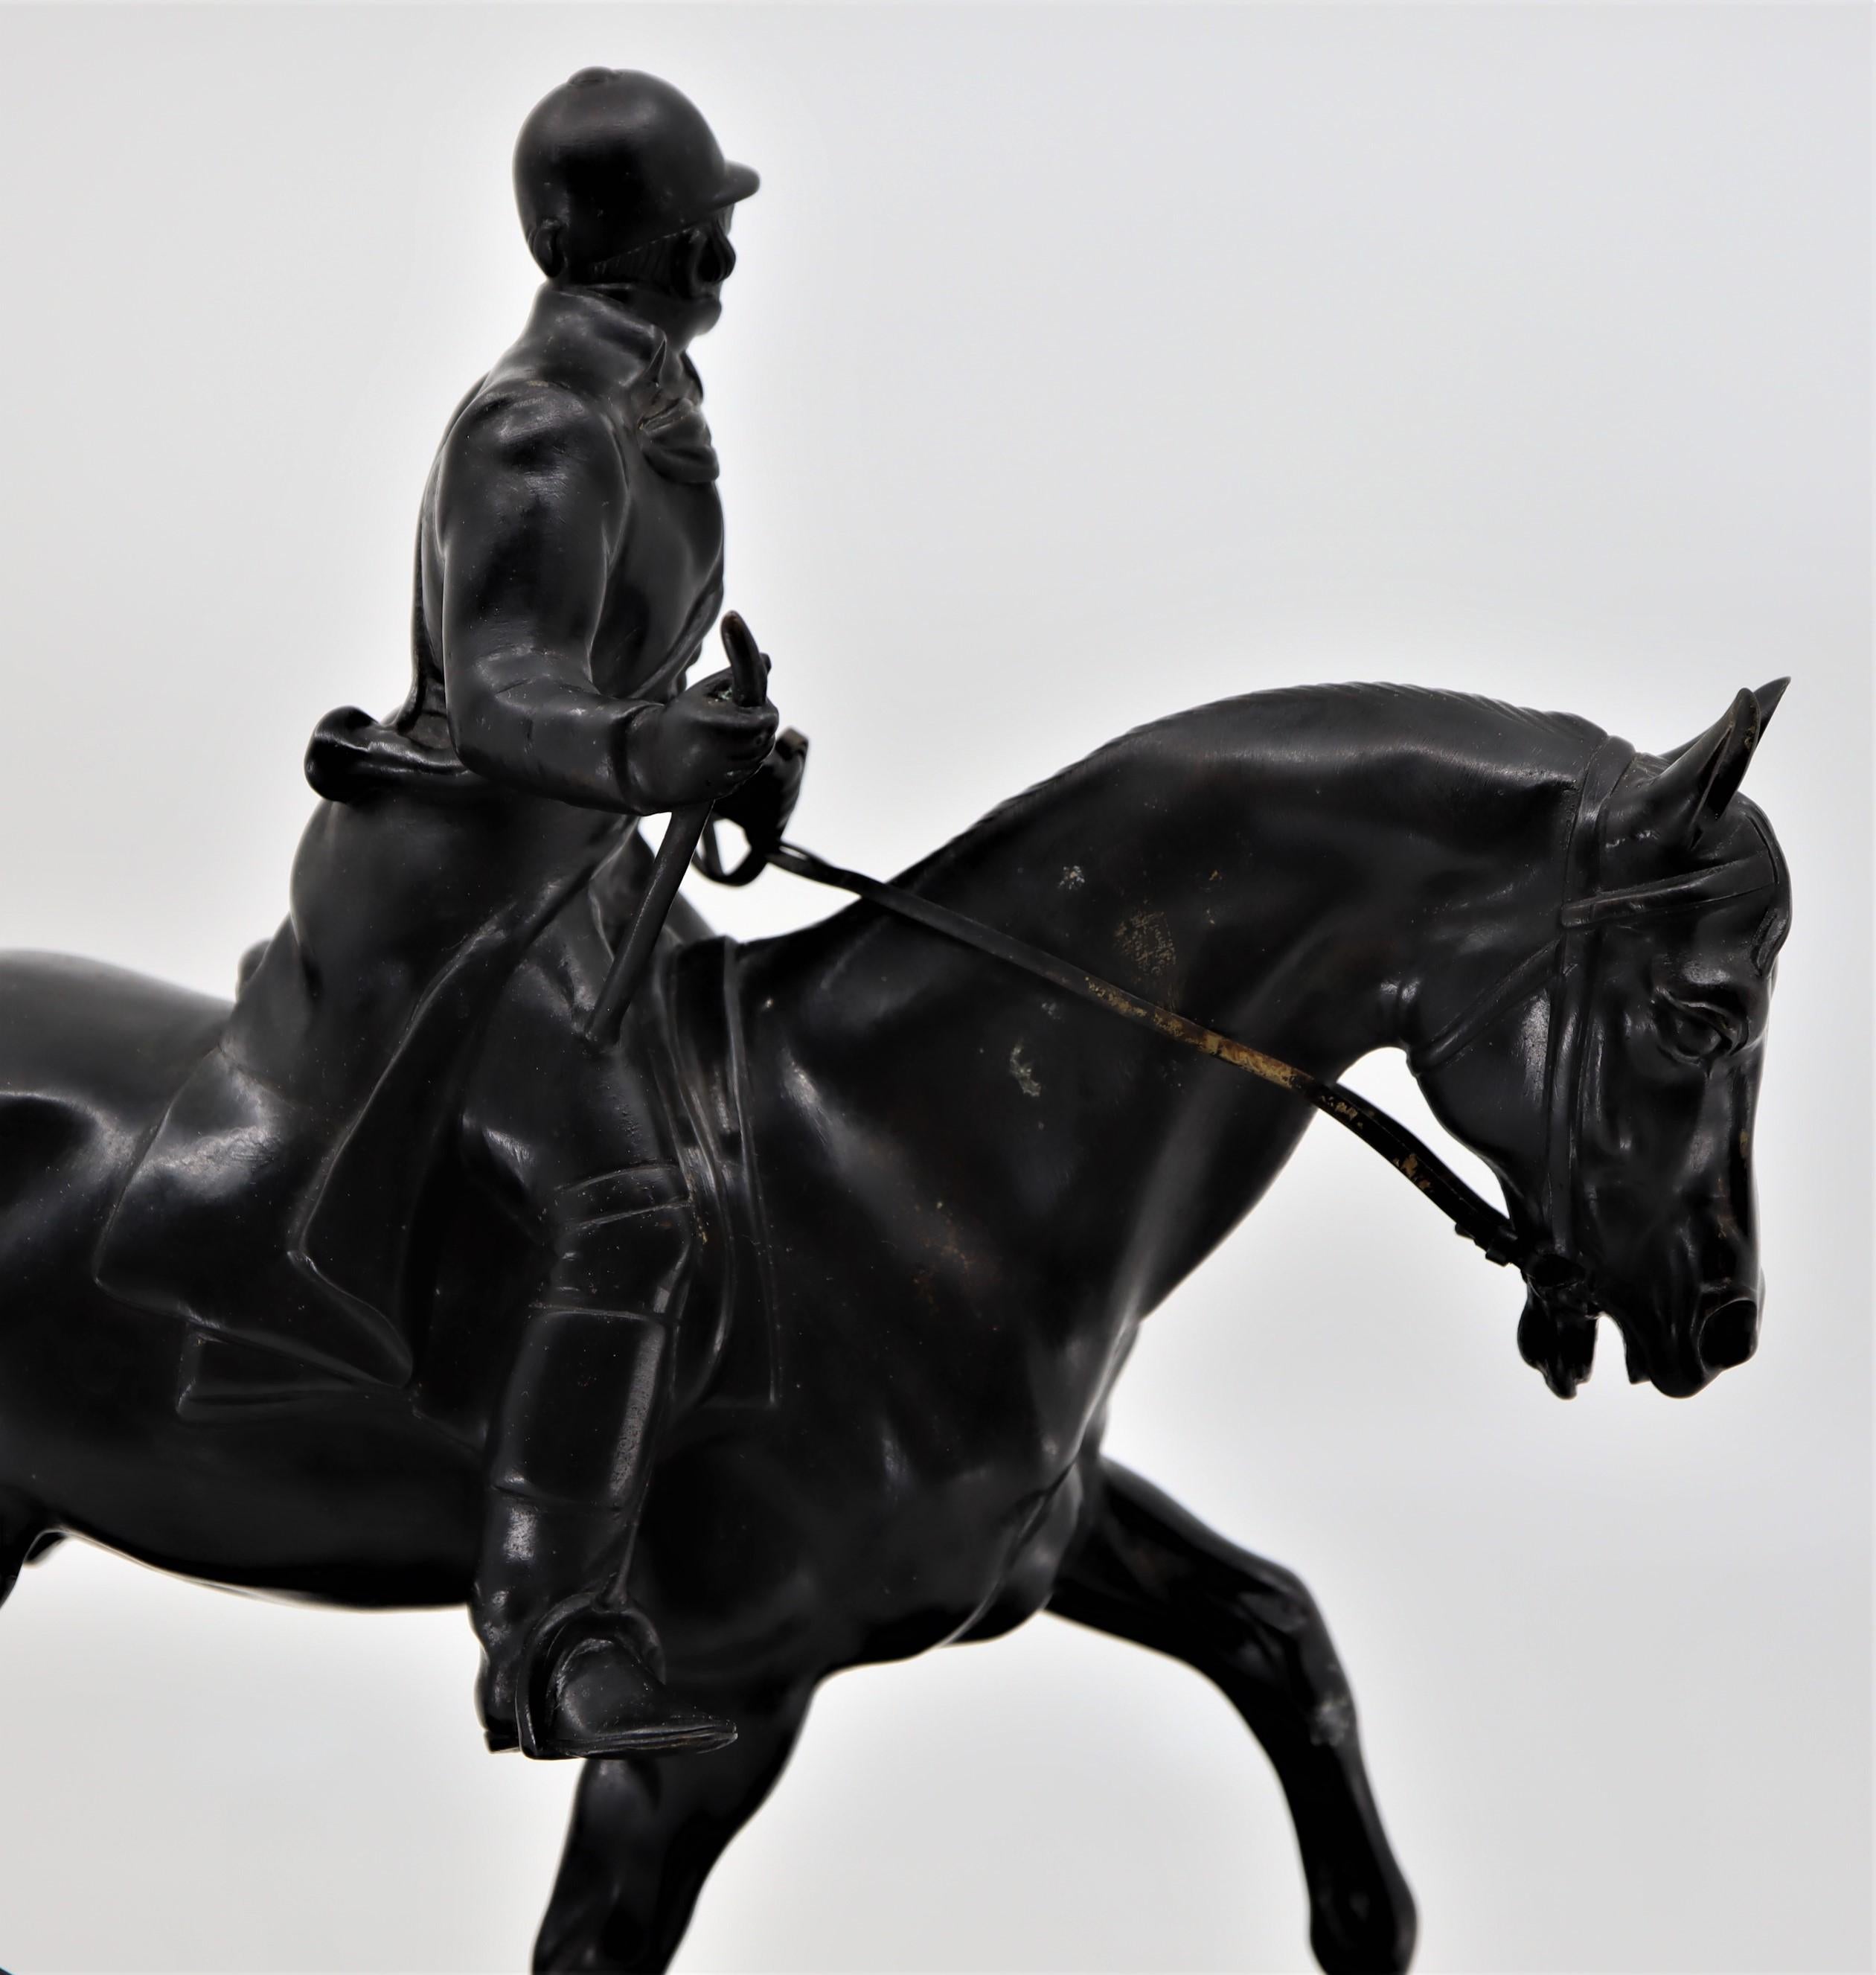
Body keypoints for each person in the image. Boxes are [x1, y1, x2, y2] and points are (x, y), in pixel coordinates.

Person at [95, 68, 786, 1758]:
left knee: (768, 1104)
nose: (721, 259)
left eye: (714, 229)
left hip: (581, 861)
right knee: (628, 1197)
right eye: (693, 230)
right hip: (466, 890)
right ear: (596, 244)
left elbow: (620, 671)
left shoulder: (645, 402)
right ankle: (551, 1632)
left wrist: (720, 758)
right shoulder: (540, 428)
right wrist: (643, 744)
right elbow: (500, 694)